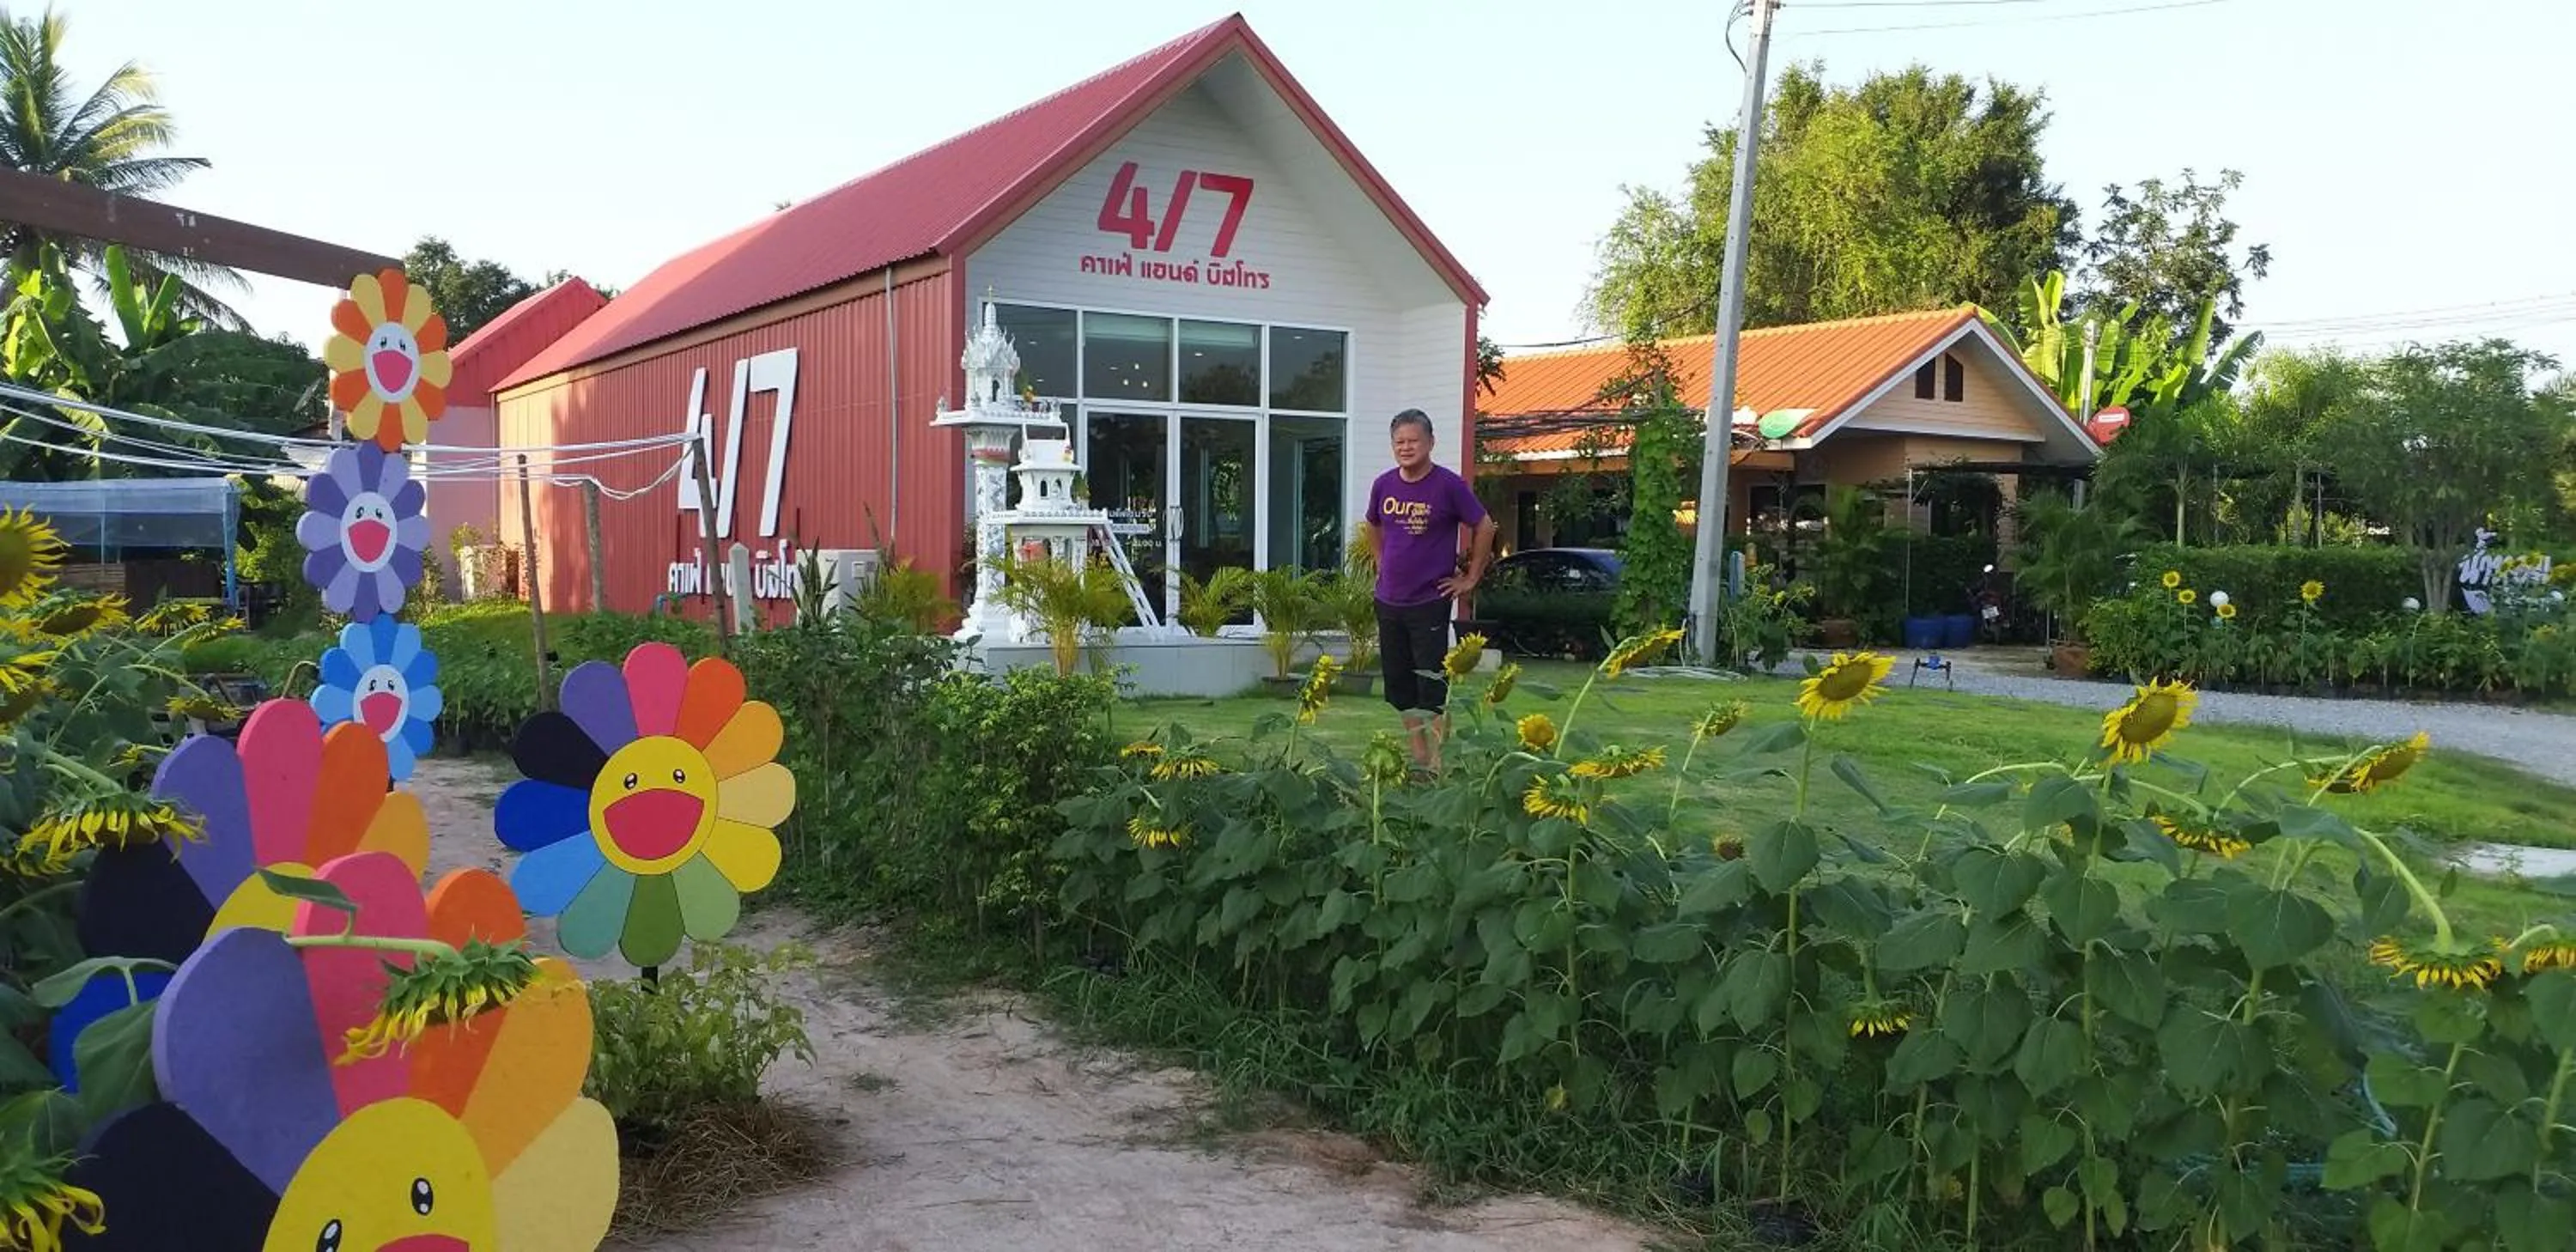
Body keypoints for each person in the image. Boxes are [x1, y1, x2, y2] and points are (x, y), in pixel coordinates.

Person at [1364, 408, 1496, 772]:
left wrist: (1471, 578)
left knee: (1432, 688)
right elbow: (1372, 523)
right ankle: (1419, 758)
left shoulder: (1448, 486)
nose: (1406, 448)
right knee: (1401, 686)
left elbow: (1484, 525)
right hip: (1389, 600)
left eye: (1413, 441)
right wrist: (1380, 561)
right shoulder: (1384, 484)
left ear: (1431, 443)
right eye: (1399, 442)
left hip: (1429, 602)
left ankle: (1440, 764)